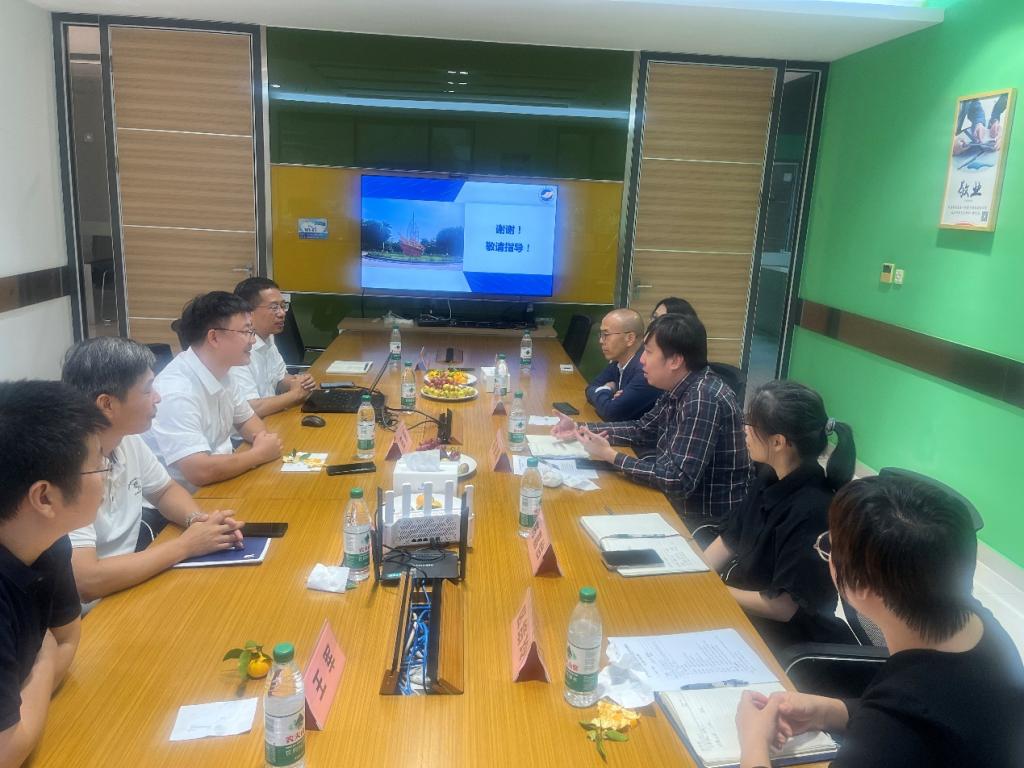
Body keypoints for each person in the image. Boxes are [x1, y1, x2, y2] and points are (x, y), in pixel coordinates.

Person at [736, 475, 1024, 768]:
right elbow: (943, 722)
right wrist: (827, 711)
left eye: (829, 547)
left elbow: (907, 726)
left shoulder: (894, 726)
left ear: (862, 586)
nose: (828, 555)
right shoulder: (978, 622)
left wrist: (753, 741)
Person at [61, 337, 245, 605]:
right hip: (91, 611)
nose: (158, 397)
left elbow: (164, 490)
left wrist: (198, 522)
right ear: (107, 404)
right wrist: (186, 545)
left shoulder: (126, 439)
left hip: (130, 584)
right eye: (148, 390)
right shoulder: (66, 468)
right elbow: (86, 580)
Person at [0, 381, 108, 766]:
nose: (107, 475)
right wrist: (43, 656)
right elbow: (6, 750)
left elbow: (67, 639)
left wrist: (40, 660)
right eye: (99, 464)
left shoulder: (49, 543)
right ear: (44, 497)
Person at [702, 381, 856, 650]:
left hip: (782, 640)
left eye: (750, 424)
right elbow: (730, 538)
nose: (744, 430)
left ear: (778, 441)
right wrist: (695, 576)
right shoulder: (769, 476)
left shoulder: (813, 511)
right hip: (741, 610)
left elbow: (782, 608)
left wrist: (711, 591)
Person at [553, 313, 750, 521]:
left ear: (675, 360)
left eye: (648, 352)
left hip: (701, 518)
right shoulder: (680, 385)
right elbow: (642, 430)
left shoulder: (702, 398)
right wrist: (579, 429)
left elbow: (677, 481)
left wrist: (611, 456)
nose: (641, 360)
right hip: (676, 500)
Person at [144, 291, 283, 492]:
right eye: (246, 332)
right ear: (214, 337)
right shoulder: (176, 391)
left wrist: (262, 443)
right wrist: (258, 455)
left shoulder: (224, 371)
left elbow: (248, 422)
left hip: (218, 484)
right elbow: (199, 471)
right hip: (186, 498)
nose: (252, 340)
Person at [230, 277, 316, 417]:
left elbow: (279, 379)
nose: (282, 313)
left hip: (272, 418)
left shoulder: (268, 337)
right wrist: (295, 394)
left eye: (283, 306)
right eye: (274, 307)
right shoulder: (236, 349)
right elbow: (251, 408)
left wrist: (300, 382)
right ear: (248, 312)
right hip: (252, 427)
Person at [585, 308, 661, 421]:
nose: (601, 340)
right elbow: (590, 388)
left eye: (606, 334)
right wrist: (608, 390)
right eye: (601, 334)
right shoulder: (618, 361)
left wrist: (605, 390)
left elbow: (611, 413)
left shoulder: (645, 371)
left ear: (630, 338)